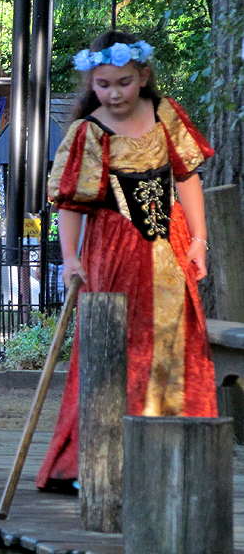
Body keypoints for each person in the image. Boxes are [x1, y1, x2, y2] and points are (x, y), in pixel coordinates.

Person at [37, 30, 218, 493]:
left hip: (170, 249)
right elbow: (72, 204)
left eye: (123, 82)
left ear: (143, 76)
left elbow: (187, 178)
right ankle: (96, 461)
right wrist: (70, 259)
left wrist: (199, 240)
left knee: (175, 341)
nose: (114, 93)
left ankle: (173, 453)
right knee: (114, 347)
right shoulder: (89, 131)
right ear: (91, 84)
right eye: (103, 84)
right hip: (114, 252)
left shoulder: (165, 116)